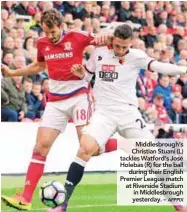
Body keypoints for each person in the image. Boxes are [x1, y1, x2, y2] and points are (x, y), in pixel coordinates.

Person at [48, 24, 187, 212]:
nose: (121, 50)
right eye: (118, 46)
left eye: (125, 47)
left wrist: (181, 69)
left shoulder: (136, 56)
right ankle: (63, 205)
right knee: (84, 149)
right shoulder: (99, 52)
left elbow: (158, 66)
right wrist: (80, 72)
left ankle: (176, 202)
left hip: (128, 113)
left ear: (130, 43)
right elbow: (87, 76)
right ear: (113, 40)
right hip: (104, 113)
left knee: (152, 157)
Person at [1, 8, 115, 211]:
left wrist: (108, 38)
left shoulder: (77, 37)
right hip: (55, 102)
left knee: (87, 147)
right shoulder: (42, 43)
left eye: (53, 32)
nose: (50, 36)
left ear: (61, 26)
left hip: (79, 97)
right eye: (46, 32)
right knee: (40, 147)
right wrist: (12, 74)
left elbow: (106, 41)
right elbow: (38, 66)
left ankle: (120, 143)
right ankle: (25, 198)